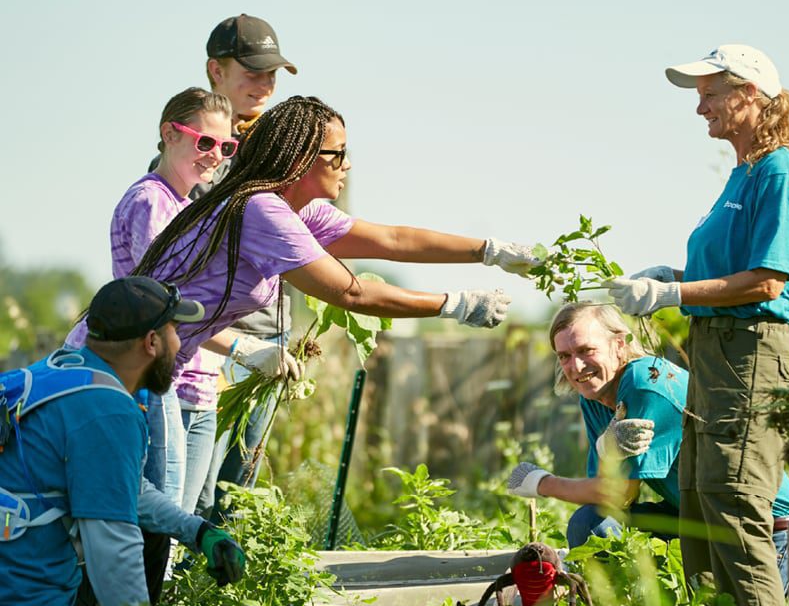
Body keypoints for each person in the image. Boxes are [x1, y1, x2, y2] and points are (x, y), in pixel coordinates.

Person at [130, 95, 538, 476]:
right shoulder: (262, 210)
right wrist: (456, 305)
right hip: (129, 368)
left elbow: (394, 241)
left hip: (155, 368)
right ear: (302, 159)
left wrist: (492, 251)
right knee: (155, 524)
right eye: (338, 153)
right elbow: (351, 292)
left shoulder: (293, 211)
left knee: (161, 523)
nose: (347, 164)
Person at [604, 45, 789, 606]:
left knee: (733, 500)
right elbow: (730, 269)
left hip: (751, 356)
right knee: (699, 498)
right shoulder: (742, 174)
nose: (702, 109)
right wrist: (672, 277)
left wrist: (675, 296)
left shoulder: (779, 172)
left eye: (711, 94)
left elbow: (769, 281)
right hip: (715, 351)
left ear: (750, 93)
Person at [0, 277, 239, 606]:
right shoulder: (107, 411)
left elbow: (122, 485)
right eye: (176, 330)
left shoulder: (66, 371)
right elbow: (112, 544)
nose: (181, 344)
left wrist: (197, 531)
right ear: (152, 342)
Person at [506, 303, 789, 590]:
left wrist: (542, 483)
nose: (576, 366)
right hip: (694, 516)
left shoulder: (645, 382)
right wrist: (608, 451)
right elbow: (604, 489)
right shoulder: (593, 398)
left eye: (585, 350)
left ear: (619, 345)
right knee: (590, 523)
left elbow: (617, 494)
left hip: (758, 523)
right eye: (565, 356)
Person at [114, 87, 234, 518]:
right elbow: (165, 305)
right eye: (205, 141)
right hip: (162, 381)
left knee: (182, 525)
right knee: (165, 523)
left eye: (226, 146)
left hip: (196, 385)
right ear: (170, 133)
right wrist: (241, 346)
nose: (215, 154)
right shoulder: (151, 201)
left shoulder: (183, 205)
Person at [198, 14, 299, 517]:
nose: (264, 83)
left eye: (271, 74)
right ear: (216, 71)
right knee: (196, 490)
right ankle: (179, 592)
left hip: (269, 339)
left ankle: (216, 593)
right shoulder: (197, 147)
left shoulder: (282, 144)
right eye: (252, 71)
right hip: (214, 341)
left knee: (238, 488)